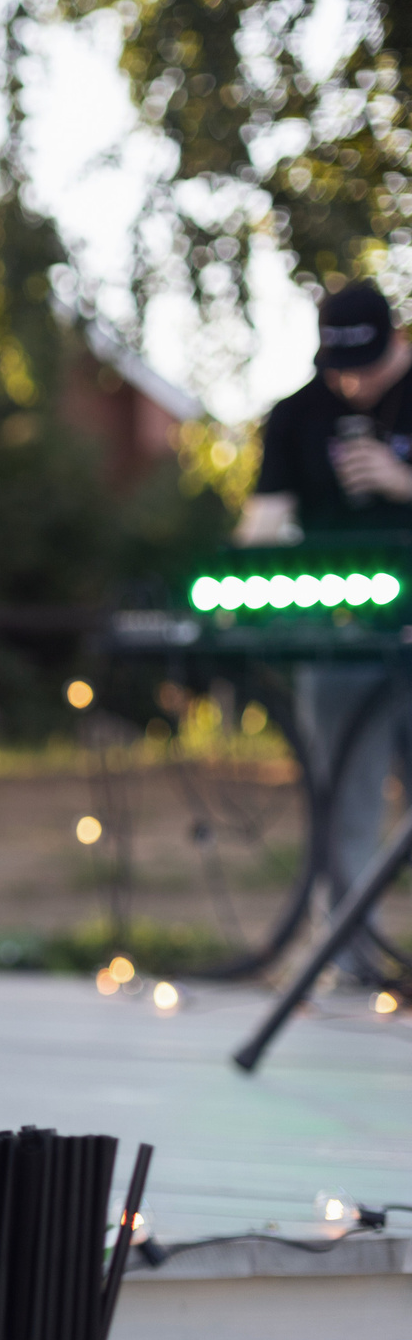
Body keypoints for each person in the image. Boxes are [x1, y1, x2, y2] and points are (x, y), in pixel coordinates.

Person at [235, 280, 412, 980]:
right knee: (344, 798)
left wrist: (402, 481)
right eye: (340, 367)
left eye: (366, 364)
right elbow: (266, 517)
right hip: (341, 635)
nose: (353, 381)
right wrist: (235, 582)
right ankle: (348, 962)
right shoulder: (298, 415)